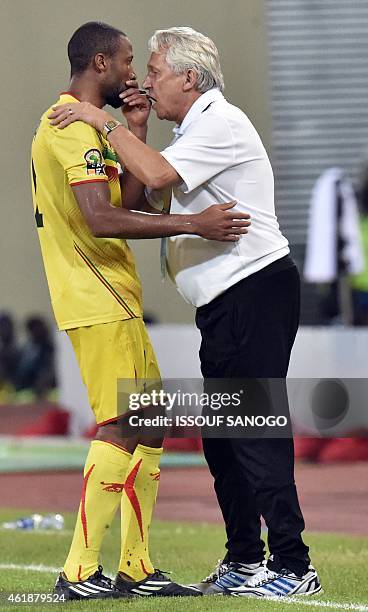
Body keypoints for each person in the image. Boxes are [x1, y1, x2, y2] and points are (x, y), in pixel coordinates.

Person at [49, 26, 321, 599]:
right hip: (227, 302)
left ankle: (294, 566)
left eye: (155, 71)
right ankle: (245, 559)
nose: (144, 80)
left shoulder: (220, 122)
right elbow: (144, 199)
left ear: (189, 78)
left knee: (254, 432)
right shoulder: (192, 131)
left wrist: (105, 124)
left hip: (255, 292)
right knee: (223, 439)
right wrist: (140, 129)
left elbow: (155, 178)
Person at [32, 21, 250, 601]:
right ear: (101, 64)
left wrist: (133, 128)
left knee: (148, 420)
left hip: (112, 292)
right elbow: (100, 220)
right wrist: (193, 223)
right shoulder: (70, 128)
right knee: (124, 421)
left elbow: (125, 201)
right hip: (94, 292)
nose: (136, 75)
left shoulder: (92, 130)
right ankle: (78, 572)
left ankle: (136, 565)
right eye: (131, 63)